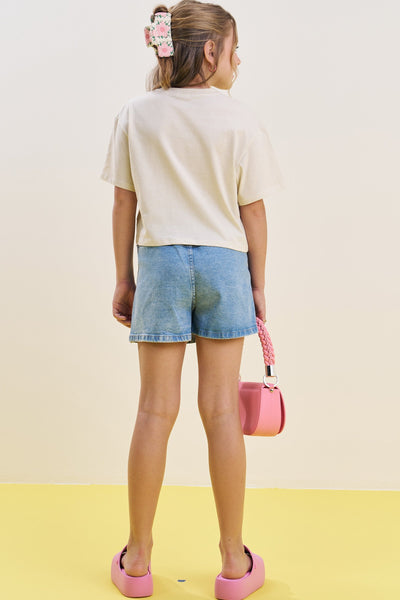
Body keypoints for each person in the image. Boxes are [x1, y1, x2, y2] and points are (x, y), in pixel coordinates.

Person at [100, 1, 285, 598]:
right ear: (210, 51)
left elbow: (124, 203)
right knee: (222, 412)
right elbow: (253, 212)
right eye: (235, 49)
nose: (239, 60)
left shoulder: (137, 113)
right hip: (225, 264)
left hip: (158, 263)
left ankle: (137, 560)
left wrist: (123, 277)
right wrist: (257, 283)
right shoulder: (240, 120)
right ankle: (233, 562)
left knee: (154, 411)